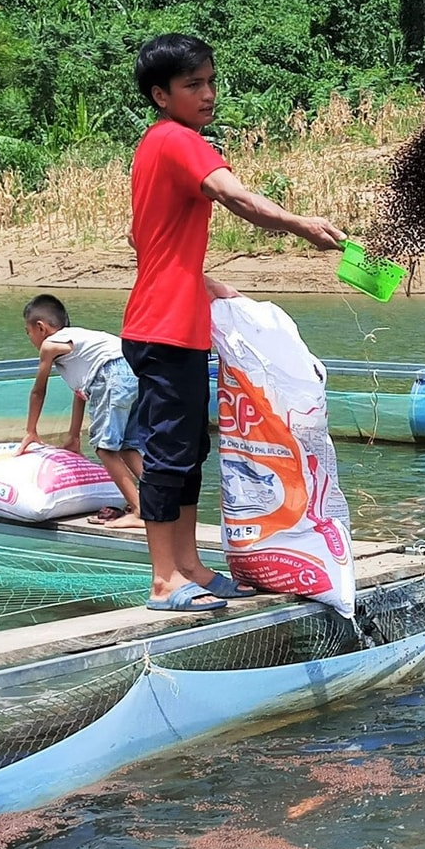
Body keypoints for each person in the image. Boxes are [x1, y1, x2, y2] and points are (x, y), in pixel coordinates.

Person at [124, 32, 346, 612]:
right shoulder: (180, 141)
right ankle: (163, 580)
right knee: (170, 452)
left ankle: (191, 566)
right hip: (164, 329)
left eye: (211, 82)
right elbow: (238, 199)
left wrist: (200, 281)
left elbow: (142, 239)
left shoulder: (153, 145)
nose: (207, 94)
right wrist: (303, 226)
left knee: (190, 447)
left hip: (172, 320)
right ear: (160, 94)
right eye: (192, 84)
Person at [17, 294, 144, 528]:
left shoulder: (50, 345)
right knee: (127, 446)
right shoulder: (82, 342)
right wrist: (73, 437)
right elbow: (80, 395)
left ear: (41, 327)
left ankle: (139, 511)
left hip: (110, 376)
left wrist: (31, 431)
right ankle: (159, 505)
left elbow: (38, 391)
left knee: (105, 449)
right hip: (133, 372)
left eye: (28, 332)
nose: (30, 339)